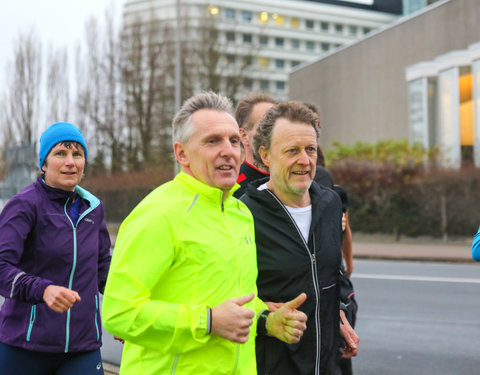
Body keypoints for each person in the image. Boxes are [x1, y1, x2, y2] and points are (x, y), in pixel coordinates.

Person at [101, 92, 308, 375]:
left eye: (234, 141)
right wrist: (207, 321)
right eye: (212, 141)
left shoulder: (240, 213)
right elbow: (119, 313)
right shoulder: (158, 214)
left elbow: (237, 298)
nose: (228, 150)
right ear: (181, 153)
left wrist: (268, 320)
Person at [241, 102, 359, 375]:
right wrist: (265, 321)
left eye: (310, 150)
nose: (304, 161)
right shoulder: (244, 213)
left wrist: (337, 314)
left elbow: (330, 276)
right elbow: (226, 294)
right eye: (292, 151)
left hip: (327, 363)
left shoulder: (330, 203)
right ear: (265, 155)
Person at [0, 122, 112, 375]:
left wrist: (126, 316)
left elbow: (104, 270)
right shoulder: (24, 206)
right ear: (44, 163)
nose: (70, 162)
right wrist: (44, 289)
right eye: (60, 153)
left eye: (77, 154)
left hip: (82, 347)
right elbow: (1, 266)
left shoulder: (93, 208)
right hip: (23, 346)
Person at [233, 93, 276, 198]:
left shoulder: (300, 182)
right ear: (244, 136)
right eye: (266, 126)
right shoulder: (233, 190)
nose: (276, 133)